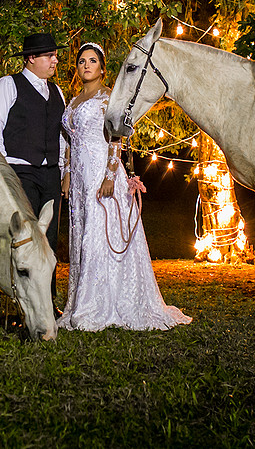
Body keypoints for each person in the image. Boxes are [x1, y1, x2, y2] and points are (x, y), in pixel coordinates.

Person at [57, 42, 192, 331]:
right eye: (82, 61)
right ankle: (81, 301)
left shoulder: (108, 98)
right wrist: (66, 173)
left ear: (103, 68)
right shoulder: (73, 101)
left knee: (102, 234)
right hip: (79, 178)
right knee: (82, 234)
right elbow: (69, 140)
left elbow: (116, 139)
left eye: (92, 61)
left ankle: (102, 303)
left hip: (103, 175)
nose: (86, 66)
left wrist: (109, 175)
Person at [0, 32, 67, 314]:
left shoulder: (57, 92)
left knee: (49, 240)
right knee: (23, 242)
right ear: (31, 58)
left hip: (50, 173)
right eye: (48, 55)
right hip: (20, 171)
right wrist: (3, 171)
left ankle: (49, 303)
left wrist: (63, 169)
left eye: (55, 55)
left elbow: (60, 136)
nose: (55, 60)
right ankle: (21, 308)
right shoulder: (8, 85)